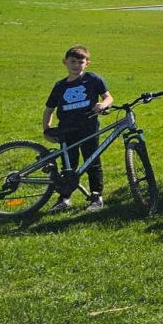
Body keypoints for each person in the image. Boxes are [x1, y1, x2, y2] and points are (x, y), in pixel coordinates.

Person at [42, 45, 114, 212]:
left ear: (87, 63)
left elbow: (108, 97)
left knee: (92, 162)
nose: (76, 65)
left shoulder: (93, 79)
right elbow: (49, 109)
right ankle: (64, 199)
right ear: (65, 62)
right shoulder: (60, 86)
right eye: (72, 61)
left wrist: (103, 105)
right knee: (69, 165)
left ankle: (97, 197)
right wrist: (46, 129)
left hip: (88, 128)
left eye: (80, 61)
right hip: (66, 130)